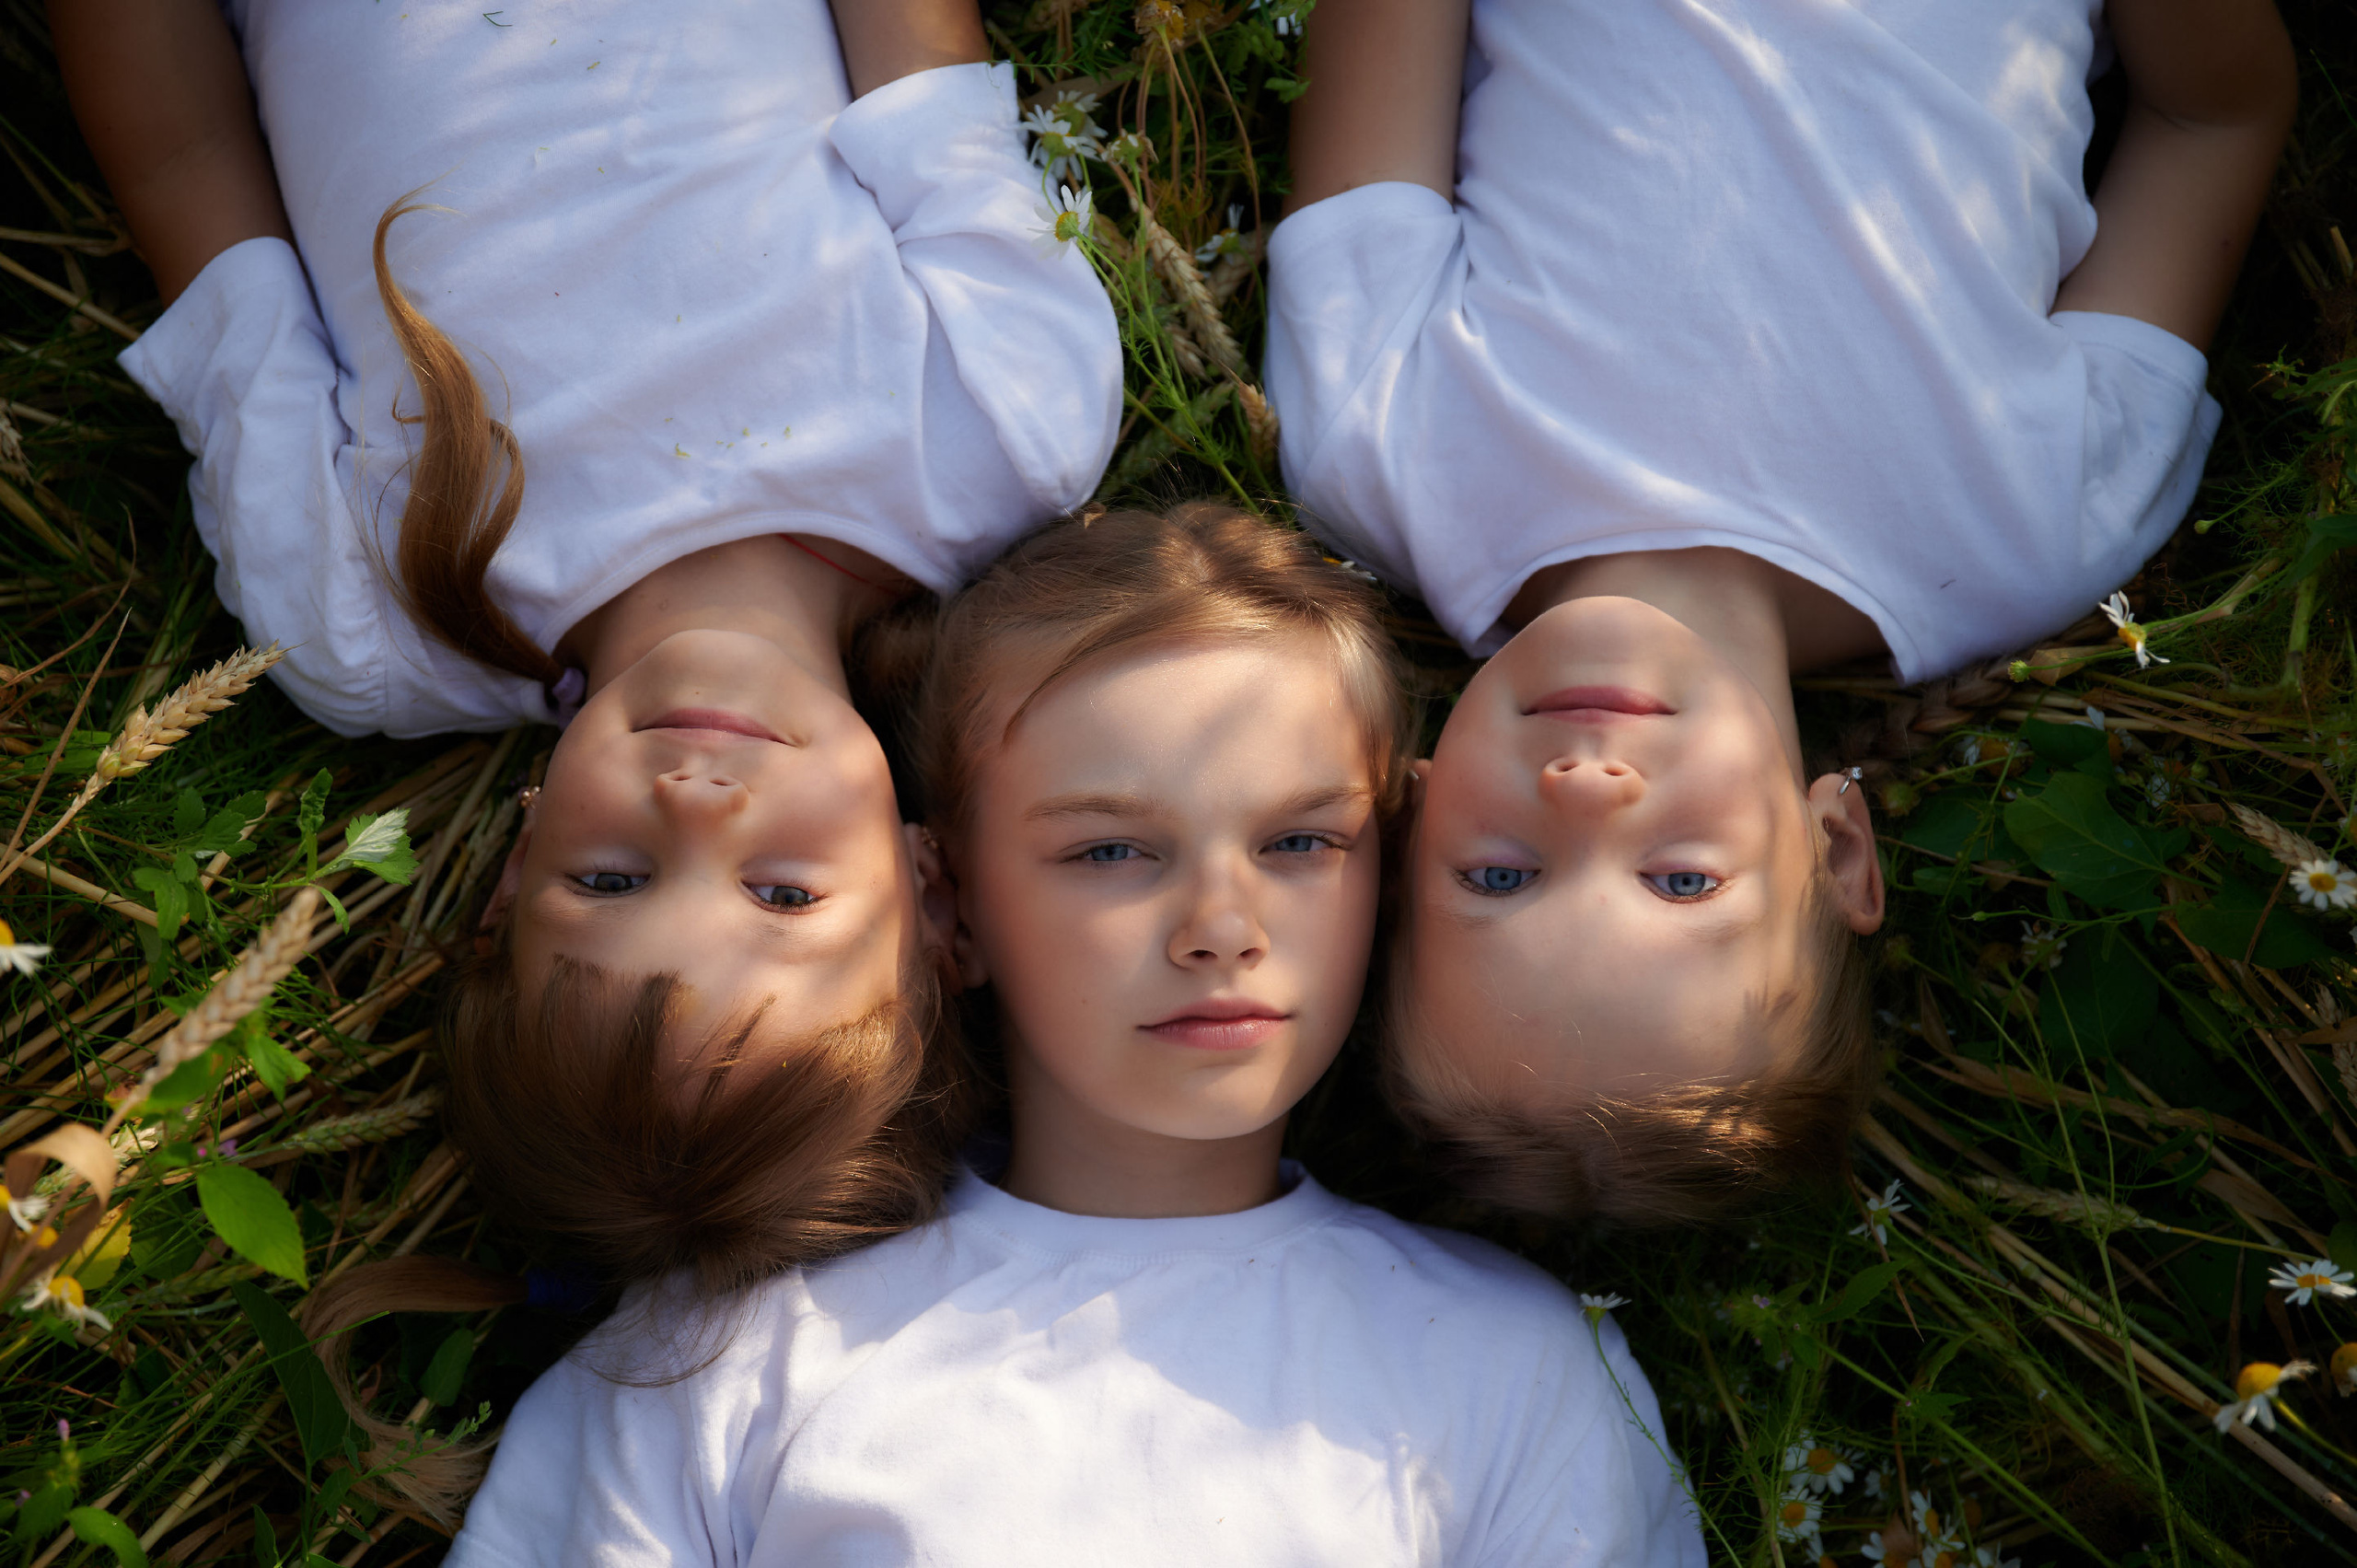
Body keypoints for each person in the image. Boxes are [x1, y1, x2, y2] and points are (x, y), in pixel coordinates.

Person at [49, 0, 1119, 1502]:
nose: (694, 806)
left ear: (503, 885)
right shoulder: (997, 426)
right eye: (786, 900)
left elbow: (185, 174)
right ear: (937, 900)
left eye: (611, 883)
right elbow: (911, 55)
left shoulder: (367, 623)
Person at [441, 504, 1704, 1564]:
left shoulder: (1516, 1371)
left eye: (1301, 843)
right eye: (1110, 850)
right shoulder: (719, 1366)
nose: (1221, 926)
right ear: (948, 904)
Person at [1264, 0, 2294, 1220]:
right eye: (1683, 882)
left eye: (1498, 877)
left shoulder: (1373, 447)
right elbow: (2209, 118)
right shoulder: (2035, 529)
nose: (1587, 797)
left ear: (1412, 814)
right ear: (1837, 848)